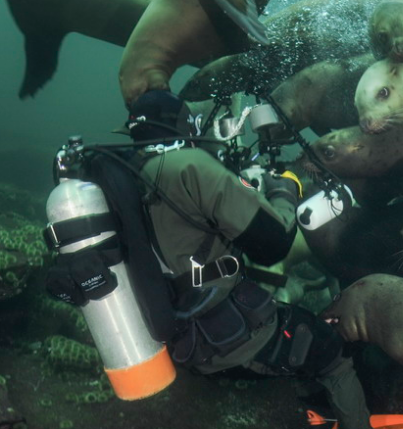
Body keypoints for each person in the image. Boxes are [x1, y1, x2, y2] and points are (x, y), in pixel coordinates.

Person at [125, 90, 373, 429]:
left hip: (179, 338)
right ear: (182, 124)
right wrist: (284, 192)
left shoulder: (132, 175)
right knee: (335, 356)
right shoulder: (189, 165)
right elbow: (273, 245)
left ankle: (312, 407)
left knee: (294, 328)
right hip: (227, 340)